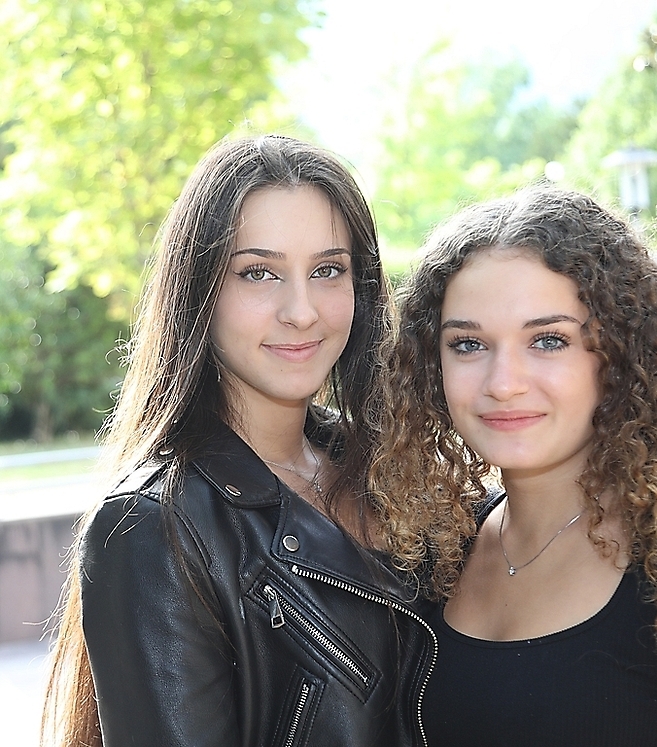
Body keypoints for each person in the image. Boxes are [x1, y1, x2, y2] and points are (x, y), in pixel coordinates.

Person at [41, 134, 436, 747]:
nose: (301, 311)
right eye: (259, 273)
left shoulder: (393, 470)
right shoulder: (152, 528)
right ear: (201, 292)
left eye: (328, 270)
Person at [370, 186, 657, 746]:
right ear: (432, 366)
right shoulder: (432, 559)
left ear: (622, 356)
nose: (503, 383)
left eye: (548, 340)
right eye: (468, 345)